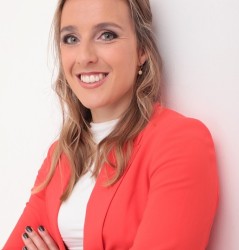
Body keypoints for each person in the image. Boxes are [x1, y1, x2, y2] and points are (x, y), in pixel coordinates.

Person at [3, 0, 219, 249]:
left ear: (142, 50)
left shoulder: (179, 142)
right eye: (71, 39)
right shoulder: (60, 156)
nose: (85, 57)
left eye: (107, 35)